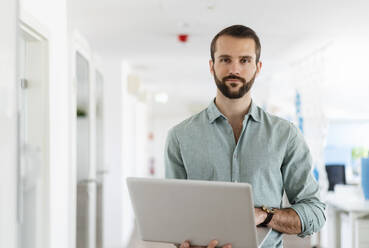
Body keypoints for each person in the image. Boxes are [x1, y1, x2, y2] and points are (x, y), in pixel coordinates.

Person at [164, 25, 326, 248]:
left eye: (245, 60)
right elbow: (174, 216)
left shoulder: (285, 135)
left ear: (258, 68)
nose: (234, 69)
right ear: (212, 66)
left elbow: (315, 213)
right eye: (225, 59)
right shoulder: (180, 137)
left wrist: (266, 215)